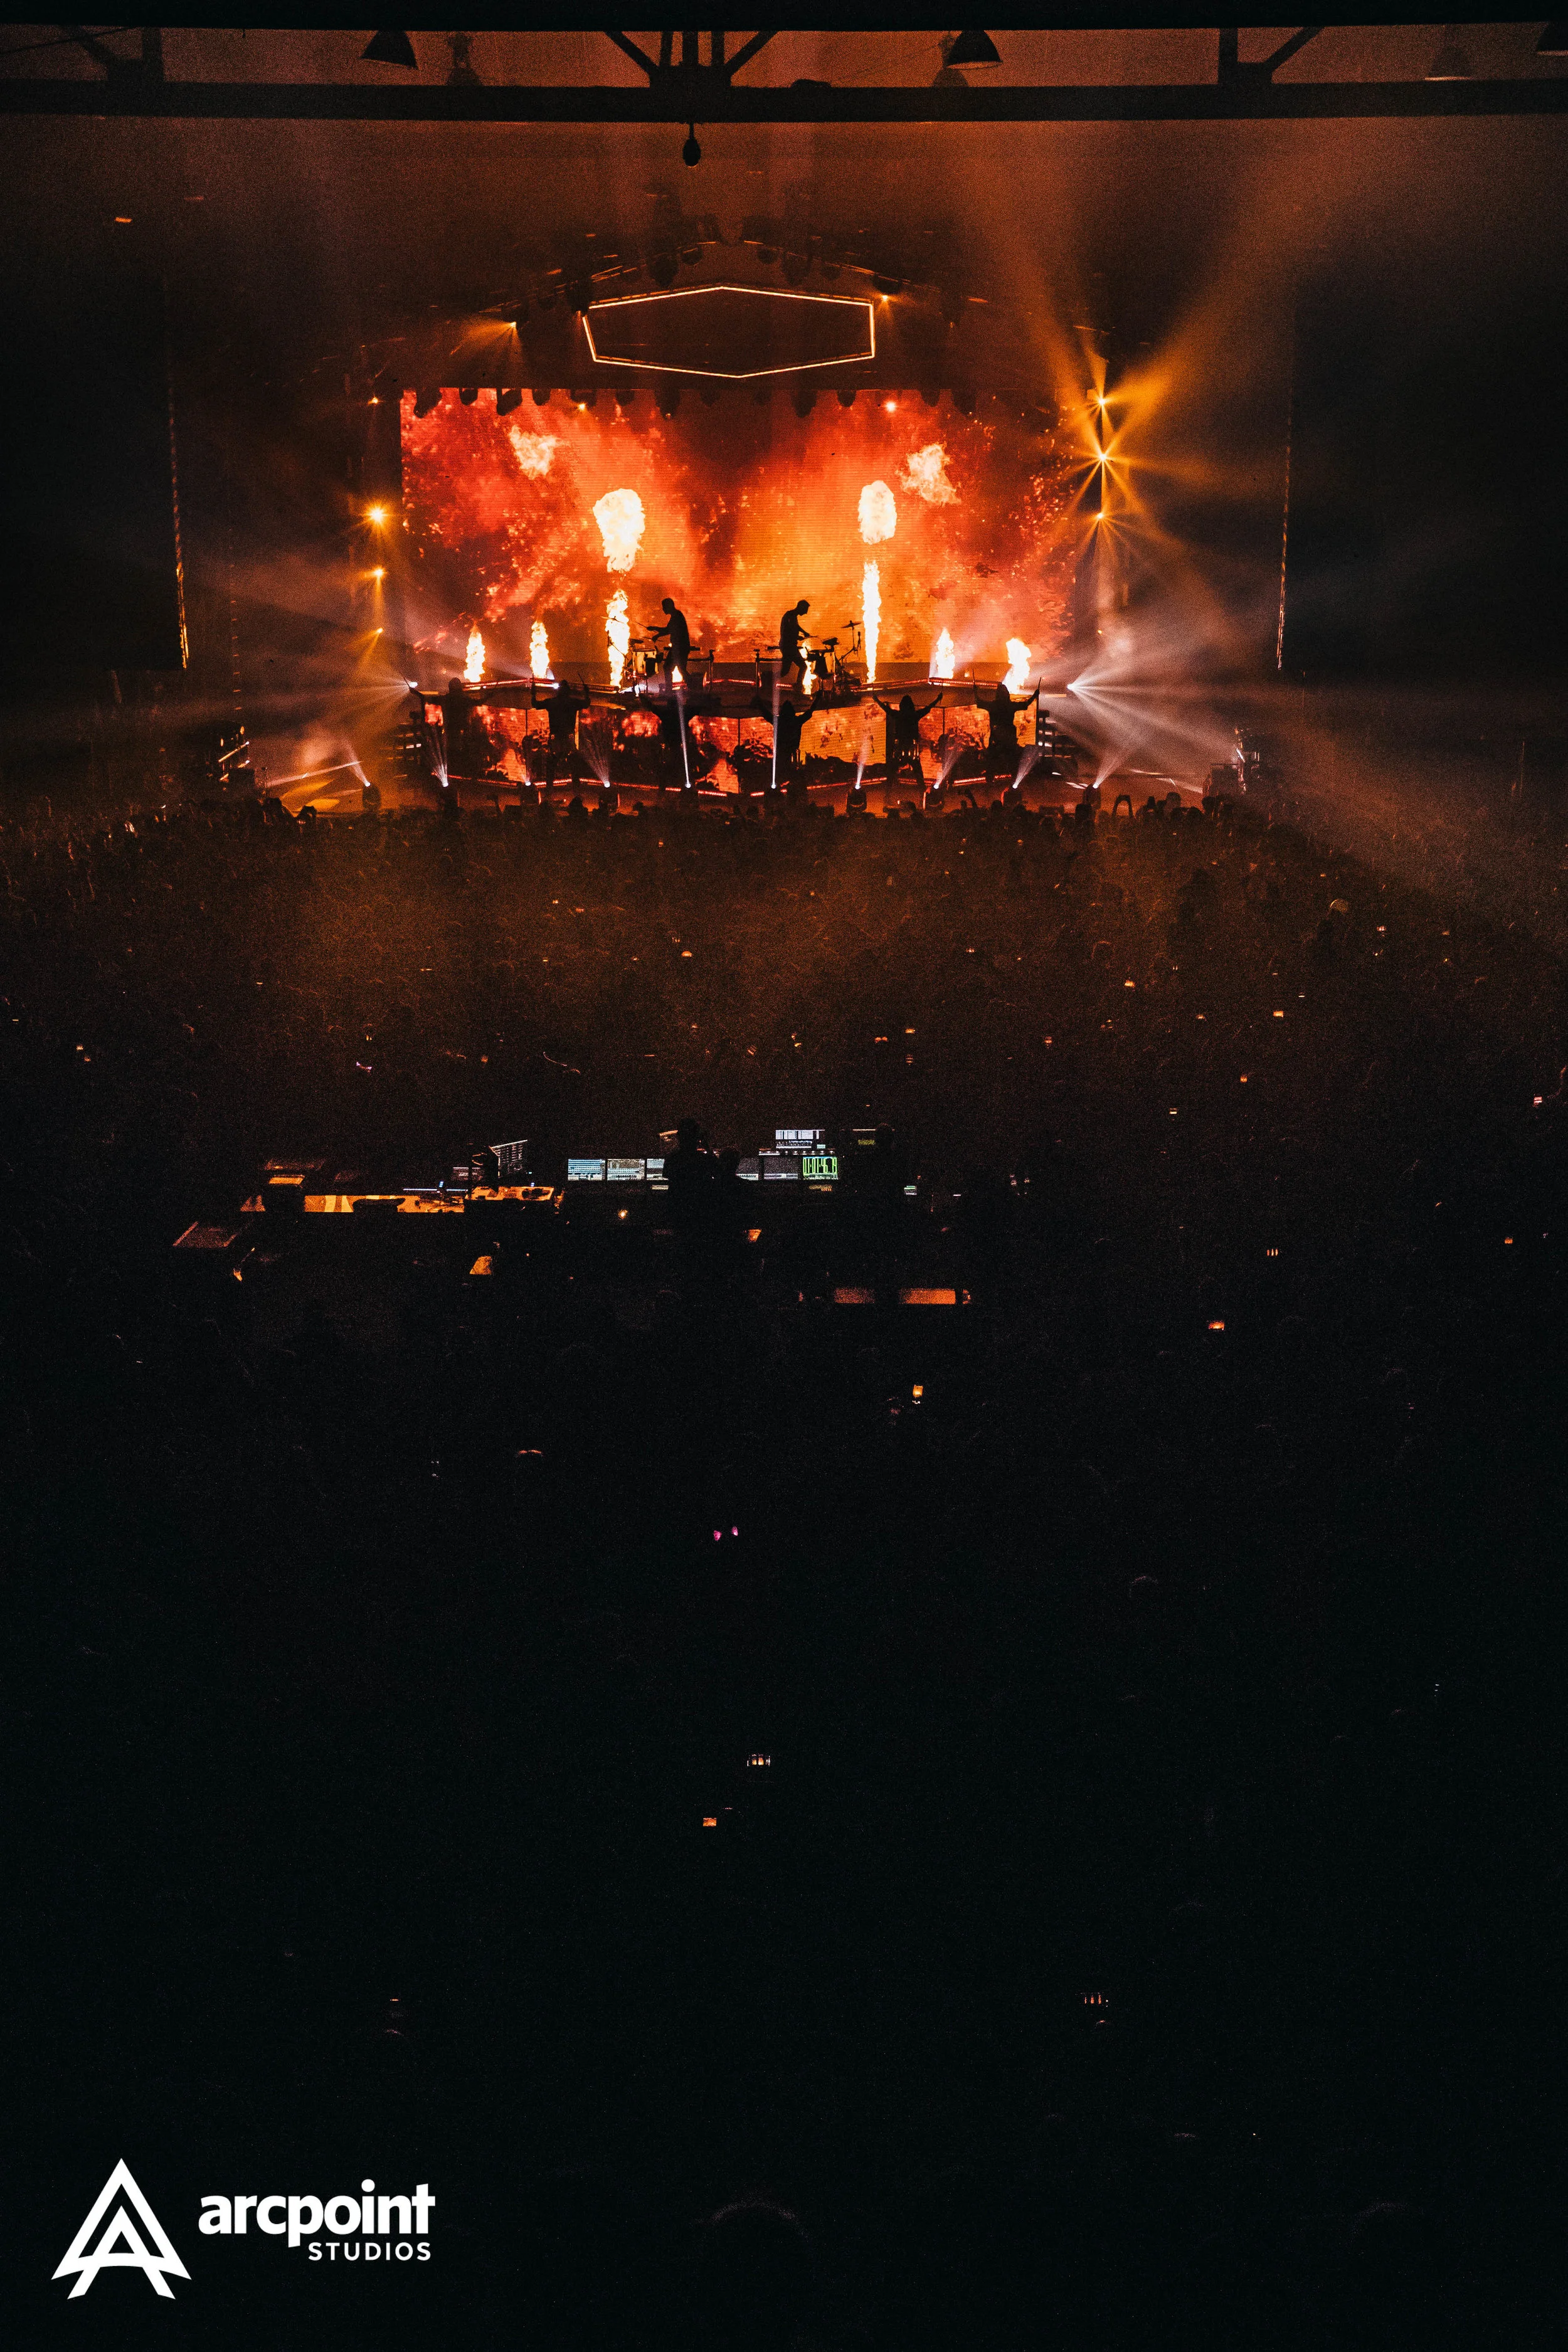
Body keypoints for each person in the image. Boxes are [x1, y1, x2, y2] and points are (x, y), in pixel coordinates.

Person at [873, 689, 940, 792]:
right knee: (918, 774)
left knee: (892, 773)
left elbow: (886, 709)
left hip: (900, 749)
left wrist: (877, 700)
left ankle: (888, 794)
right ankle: (923, 794)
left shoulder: (898, 715)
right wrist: (938, 700)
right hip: (912, 750)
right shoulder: (915, 715)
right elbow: (928, 708)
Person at [650, 596, 691, 683]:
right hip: (680, 647)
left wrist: (654, 629)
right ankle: (693, 686)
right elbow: (669, 629)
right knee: (681, 669)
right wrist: (657, 636)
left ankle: (671, 691)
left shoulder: (676, 616)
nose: (663, 609)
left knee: (669, 668)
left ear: (669, 606)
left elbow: (668, 630)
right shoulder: (677, 615)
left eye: (664, 607)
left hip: (679, 648)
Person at [778, 598, 811, 689]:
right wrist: (798, 637)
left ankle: (798, 685)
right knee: (802, 667)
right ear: (801, 607)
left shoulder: (792, 616)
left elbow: (796, 627)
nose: (806, 613)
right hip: (789, 647)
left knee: (785, 671)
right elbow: (788, 633)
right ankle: (798, 686)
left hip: (790, 647)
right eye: (805, 610)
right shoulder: (790, 616)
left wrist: (804, 632)